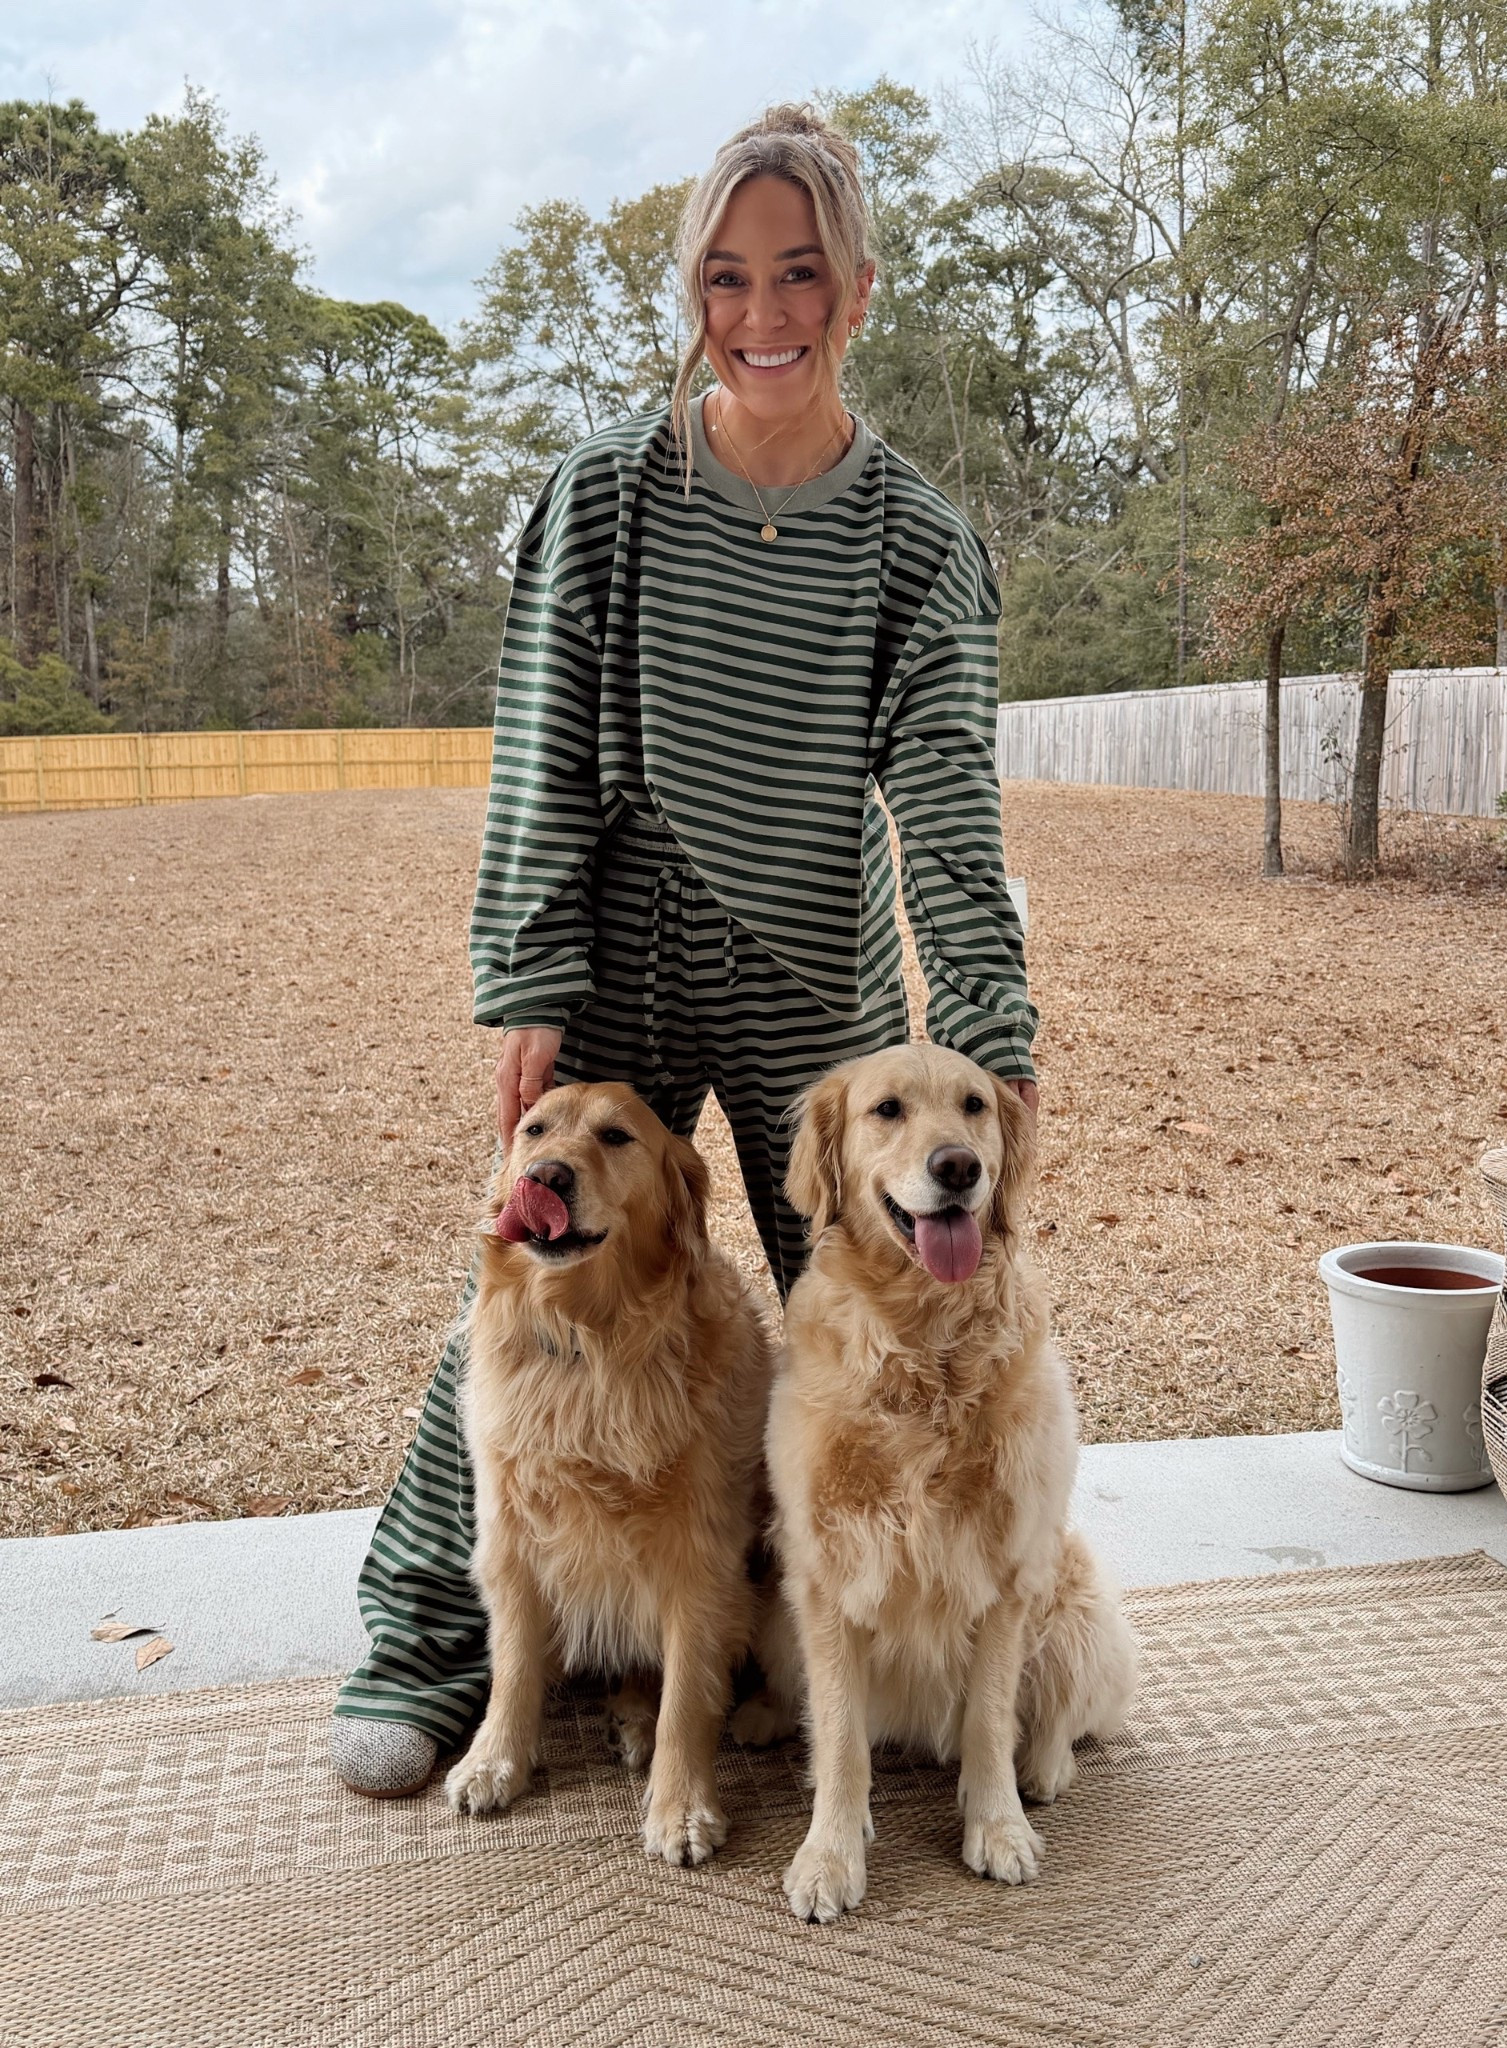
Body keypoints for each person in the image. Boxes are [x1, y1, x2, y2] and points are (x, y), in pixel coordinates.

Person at [330, 103, 1040, 1797]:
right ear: (696, 293)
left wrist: (992, 1026)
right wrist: (527, 974)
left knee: (872, 1312)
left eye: (799, 271)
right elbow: (543, 746)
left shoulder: (921, 542)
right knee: (535, 1276)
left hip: (822, 976)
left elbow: (944, 798)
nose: (764, 308)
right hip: (634, 944)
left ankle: (838, 1628)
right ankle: (431, 1635)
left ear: (856, 287)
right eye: (728, 276)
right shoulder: (607, 497)